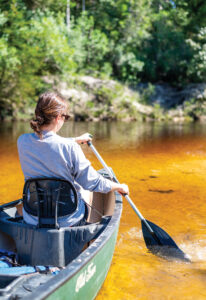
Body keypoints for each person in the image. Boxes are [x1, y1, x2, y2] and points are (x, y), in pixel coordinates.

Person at [17, 91, 129, 227]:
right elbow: (92, 182)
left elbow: (48, 143)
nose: (64, 120)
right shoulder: (69, 147)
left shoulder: (22, 141)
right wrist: (119, 186)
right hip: (66, 219)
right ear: (58, 117)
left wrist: (74, 140)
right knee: (83, 188)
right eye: (65, 117)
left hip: (33, 216)